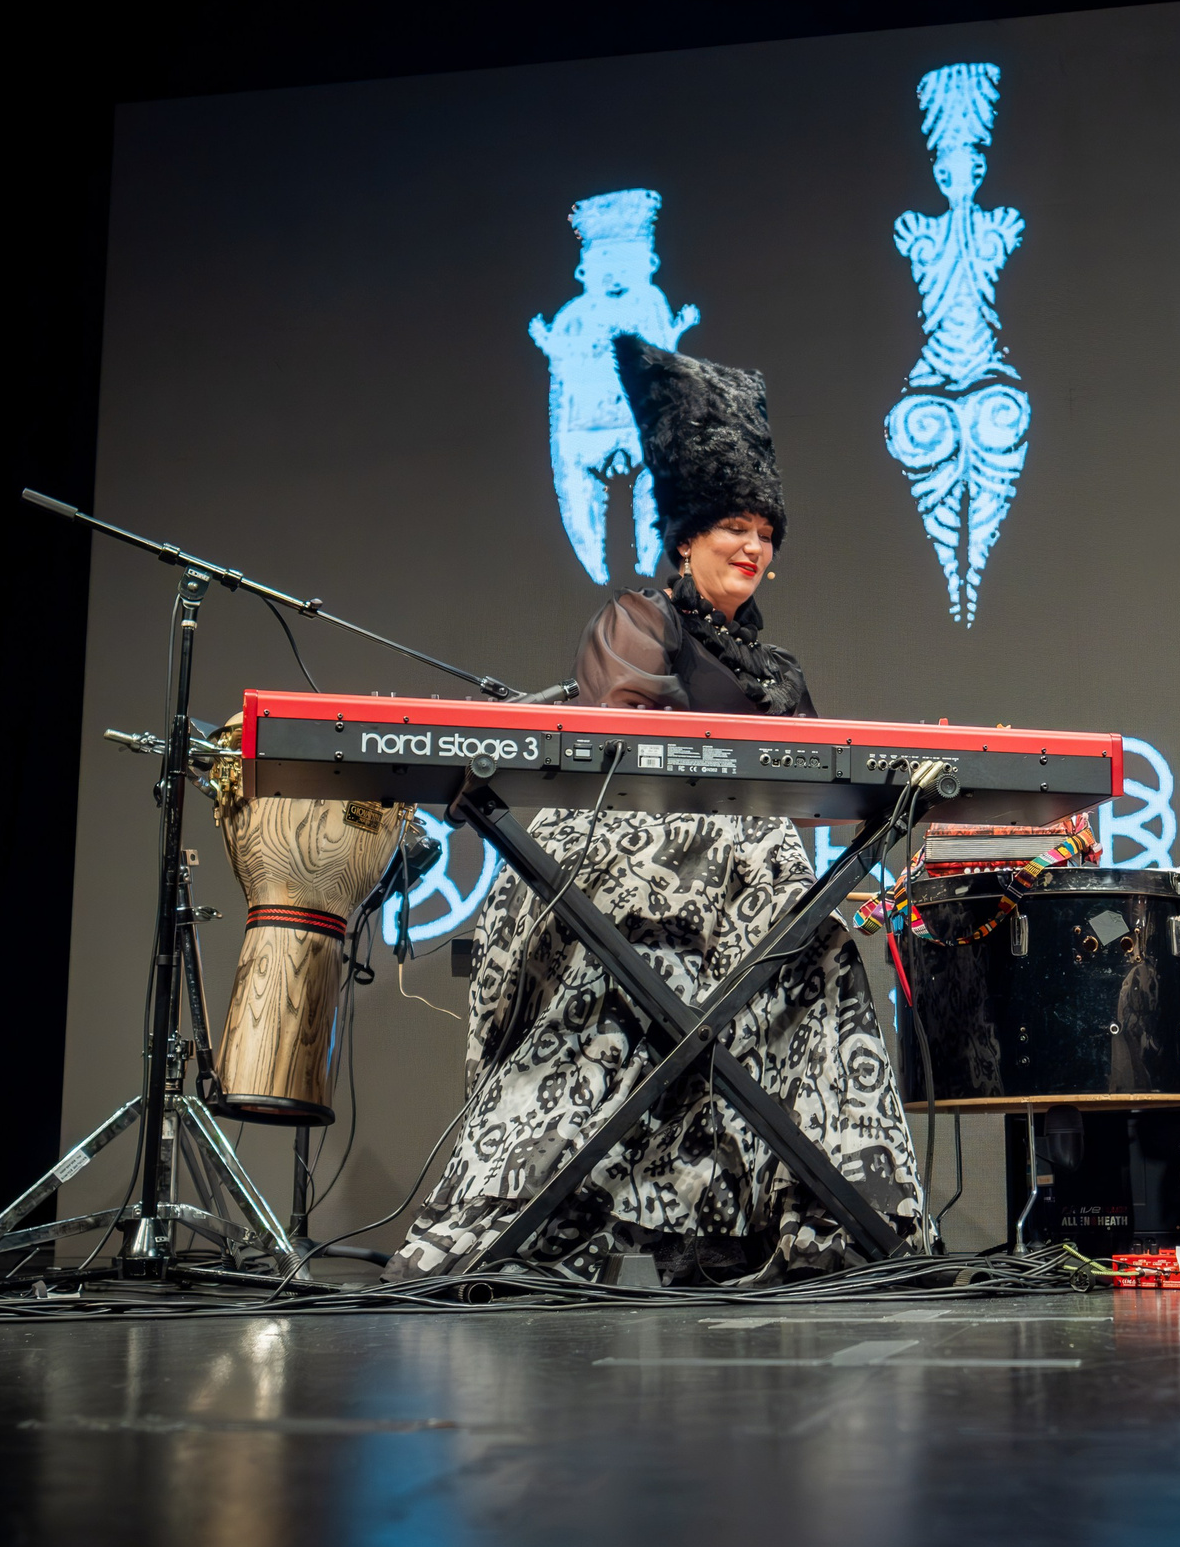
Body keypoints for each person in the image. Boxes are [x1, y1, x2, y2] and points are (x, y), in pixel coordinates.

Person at [387, 344, 924, 1283]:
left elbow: (806, 794)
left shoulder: (781, 672)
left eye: (766, 532)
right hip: (630, 879)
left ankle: (827, 1223)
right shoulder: (636, 622)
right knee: (645, 950)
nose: (754, 548)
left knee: (824, 949)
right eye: (733, 528)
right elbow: (626, 759)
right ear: (685, 536)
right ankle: (536, 1219)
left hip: (750, 905)